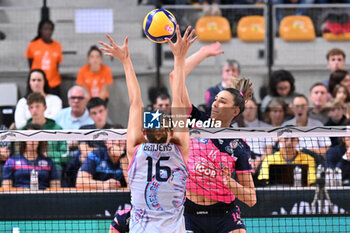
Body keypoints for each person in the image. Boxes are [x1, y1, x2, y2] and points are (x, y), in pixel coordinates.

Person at [99, 25, 192, 233]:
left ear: (145, 133)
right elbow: (177, 100)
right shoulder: (180, 149)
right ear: (170, 132)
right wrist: (179, 57)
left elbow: (135, 103)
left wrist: (125, 60)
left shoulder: (135, 149)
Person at [169, 38, 256, 232]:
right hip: (189, 213)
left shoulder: (238, 145)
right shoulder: (196, 121)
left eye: (223, 101)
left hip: (224, 214)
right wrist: (202, 54)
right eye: (216, 99)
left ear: (235, 111)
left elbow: (251, 199)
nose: (215, 103)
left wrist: (229, 182)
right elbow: (176, 77)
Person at [63, 98, 115, 187]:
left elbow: (116, 152)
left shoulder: (113, 129)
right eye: (94, 113)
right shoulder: (84, 130)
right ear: (90, 115)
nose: (98, 115)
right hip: (89, 165)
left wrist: (93, 152)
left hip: (108, 166)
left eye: (101, 111)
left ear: (106, 111)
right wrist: (105, 150)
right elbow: (85, 151)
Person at [2, 124, 60, 190]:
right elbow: (6, 188)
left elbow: (55, 189)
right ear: (23, 140)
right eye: (29, 137)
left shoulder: (49, 163)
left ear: (40, 141)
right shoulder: (12, 161)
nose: (32, 141)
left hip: (42, 197)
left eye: (35, 137)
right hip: (18, 197)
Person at [24, 92, 68, 173]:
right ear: (28, 109)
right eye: (31, 107)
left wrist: (48, 155)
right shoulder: (22, 130)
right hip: (27, 166)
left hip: (53, 167)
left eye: (37, 106)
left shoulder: (57, 129)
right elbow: (17, 154)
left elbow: (65, 155)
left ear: (45, 108)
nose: (34, 110)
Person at [25, 19, 63, 96]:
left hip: (53, 83)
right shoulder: (33, 45)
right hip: (38, 84)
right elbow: (31, 64)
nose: (48, 32)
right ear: (40, 30)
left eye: (50, 29)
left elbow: (57, 65)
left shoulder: (57, 46)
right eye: (45, 29)